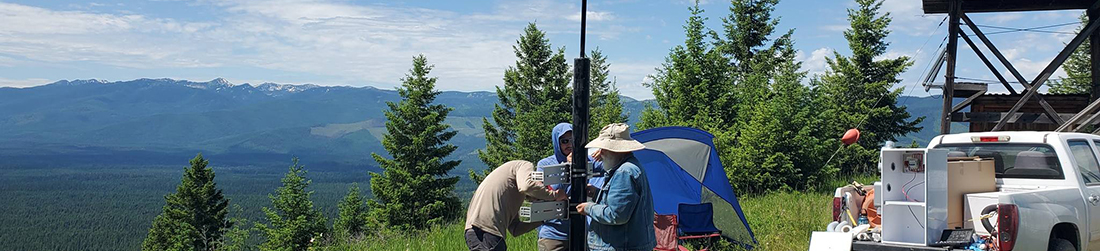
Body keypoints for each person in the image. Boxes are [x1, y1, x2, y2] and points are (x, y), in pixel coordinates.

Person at [576, 123, 656, 251]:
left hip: (621, 246)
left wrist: (588, 208)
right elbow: (623, 204)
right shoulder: (630, 167)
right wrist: (597, 193)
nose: (600, 153)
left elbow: (616, 215)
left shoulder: (623, 172)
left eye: (604, 149)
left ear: (616, 150)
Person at [466, 160, 567, 251]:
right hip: (485, 231)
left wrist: (543, 218)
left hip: (477, 232)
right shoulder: (523, 165)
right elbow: (526, 186)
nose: (537, 199)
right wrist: (554, 195)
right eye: (540, 191)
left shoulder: (510, 192)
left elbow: (515, 229)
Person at [536, 123, 605, 251]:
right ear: (557, 143)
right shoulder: (545, 164)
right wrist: (567, 167)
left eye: (573, 140)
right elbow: (553, 191)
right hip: (554, 235)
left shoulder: (586, 160)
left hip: (582, 232)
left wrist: (605, 153)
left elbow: (608, 169)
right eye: (564, 141)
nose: (569, 144)